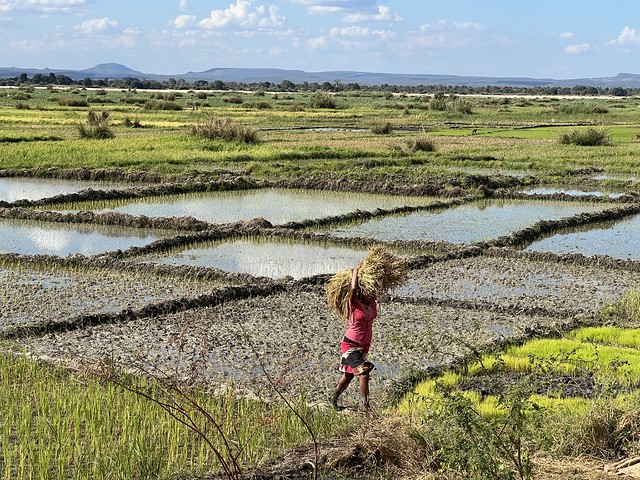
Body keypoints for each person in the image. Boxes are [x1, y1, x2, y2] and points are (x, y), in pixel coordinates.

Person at [330, 263, 377, 414]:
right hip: (350, 345)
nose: (367, 294)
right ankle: (366, 407)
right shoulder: (354, 304)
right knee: (363, 372)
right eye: (365, 291)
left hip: (363, 346)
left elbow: (377, 286)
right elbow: (353, 289)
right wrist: (355, 272)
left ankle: (333, 398)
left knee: (349, 374)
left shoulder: (372, 304)